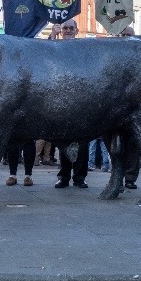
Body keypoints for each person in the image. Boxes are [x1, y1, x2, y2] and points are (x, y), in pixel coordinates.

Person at [54, 19, 90, 189]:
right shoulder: (56, 46)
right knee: (63, 141)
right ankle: (64, 176)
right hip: (62, 100)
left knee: (82, 141)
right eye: (65, 28)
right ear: (61, 31)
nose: (68, 30)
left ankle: (80, 177)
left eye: (71, 28)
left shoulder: (83, 48)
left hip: (81, 100)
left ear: (77, 30)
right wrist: (52, 37)